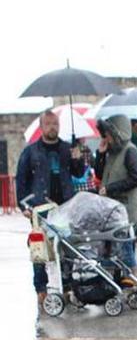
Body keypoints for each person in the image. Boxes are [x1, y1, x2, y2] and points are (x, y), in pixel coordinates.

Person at [16, 109, 83, 306]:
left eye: (55, 124)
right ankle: (41, 289)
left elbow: (79, 173)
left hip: (65, 205)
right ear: (41, 126)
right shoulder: (30, 151)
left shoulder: (67, 148)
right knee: (39, 249)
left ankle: (68, 285)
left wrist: (77, 158)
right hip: (40, 207)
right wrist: (23, 205)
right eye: (48, 124)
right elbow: (21, 180)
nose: (52, 127)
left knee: (67, 247)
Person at [95, 114, 137, 278]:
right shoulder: (111, 152)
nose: (106, 137)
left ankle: (134, 281)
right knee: (115, 251)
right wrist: (101, 154)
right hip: (113, 211)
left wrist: (110, 189)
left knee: (126, 251)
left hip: (127, 211)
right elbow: (100, 173)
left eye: (108, 133)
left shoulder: (130, 151)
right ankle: (119, 282)